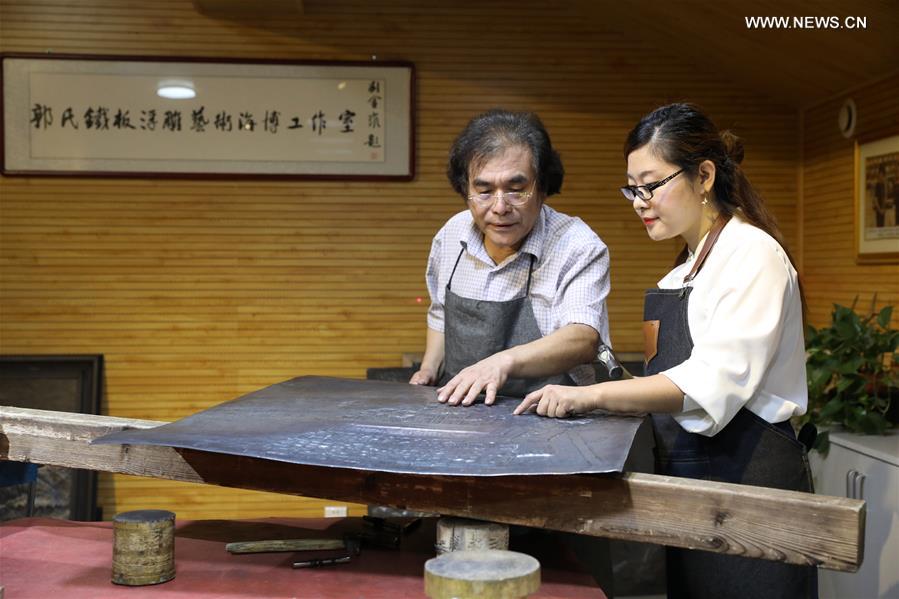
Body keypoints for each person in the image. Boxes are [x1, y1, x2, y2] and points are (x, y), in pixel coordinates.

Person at [514, 103, 817, 598]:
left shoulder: (752, 254)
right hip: (692, 488)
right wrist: (608, 389)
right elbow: (672, 380)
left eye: (651, 185)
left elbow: (710, 381)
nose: (639, 202)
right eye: (632, 188)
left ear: (704, 176)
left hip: (751, 484)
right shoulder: (682, 272)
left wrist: (588, 397)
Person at [409, 109, 611, 406]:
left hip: (551, 412)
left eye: (516, 190)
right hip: (465, 410)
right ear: (465, 190)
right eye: (484, 191)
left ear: (542, 187)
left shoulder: (576, 245)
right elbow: (440, 313)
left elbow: (582, 338)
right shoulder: (452, 235)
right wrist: (428, 369)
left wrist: (501, 363)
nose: (500, 207)